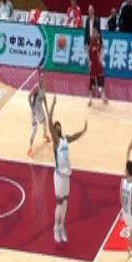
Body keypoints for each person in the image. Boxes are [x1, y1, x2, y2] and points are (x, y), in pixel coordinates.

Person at [47, 95, 88, 243]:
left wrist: (83, 131)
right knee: (59, 202)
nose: (57, 128)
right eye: (56, 127)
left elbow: (74, 137)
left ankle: (62, 226)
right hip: (59, 176)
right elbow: (49, 121)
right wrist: (52, 105)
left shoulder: (65, 140)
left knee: (65, 202)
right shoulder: (56, 142)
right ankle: (55, 227)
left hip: (66, 175)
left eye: (59, 126)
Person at [27, 71, 50, 158]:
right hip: (35, 111)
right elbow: (29, 97)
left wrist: (47, 109)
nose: (42, 79)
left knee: (44, 121)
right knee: (35, 128)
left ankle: (45, 134)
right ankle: (30, 149)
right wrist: (31, 109)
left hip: (40, 109)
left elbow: (44, 97)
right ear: (39, 78)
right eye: (41, 77)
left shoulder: (44, 86)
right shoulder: (36, 88)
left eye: (43, 77)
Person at [86, 28, 107, 106]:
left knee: (102, 79)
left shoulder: (99, 41)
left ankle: (103, 96)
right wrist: (89, 61)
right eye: (94, 33)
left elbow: (102, 48)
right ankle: (90, 99)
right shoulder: (90, 42)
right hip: (93, 64)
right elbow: (87, 51)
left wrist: (101, 57)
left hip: (98, 64)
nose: (96, 34)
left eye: (96, 33)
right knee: (91, 82)